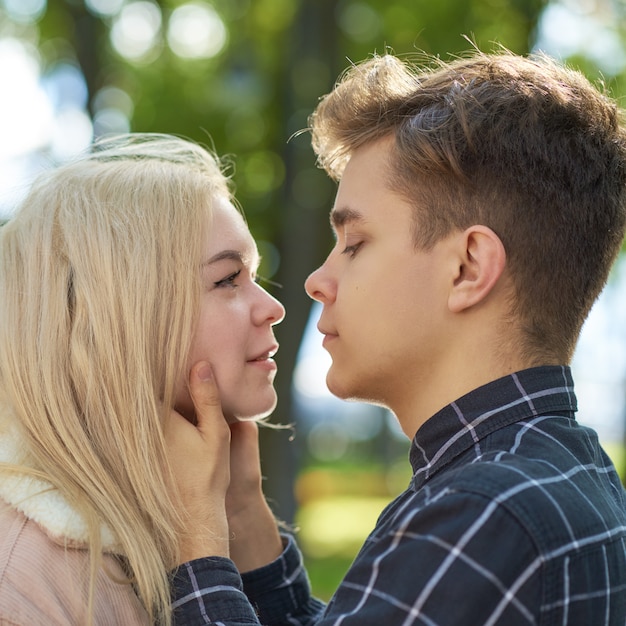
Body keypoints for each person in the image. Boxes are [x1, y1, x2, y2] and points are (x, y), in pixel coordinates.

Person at [167, 49, 626, 624]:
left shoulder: (482, 513)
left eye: (354, 244)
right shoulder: (566, 470)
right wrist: (241, 509)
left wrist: (196, 546)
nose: (316, 281)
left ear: (467, 268)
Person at [0, 133, 285, 625]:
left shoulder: (191, 508)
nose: (273, 307)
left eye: (254, 276)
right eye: (226, 279)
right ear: (121, 319)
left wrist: (238, 513)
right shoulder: (23, 582)